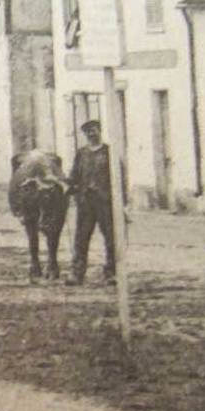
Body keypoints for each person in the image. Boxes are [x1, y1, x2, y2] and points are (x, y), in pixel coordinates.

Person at [65, 119, 125, 286]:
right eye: (88, 132)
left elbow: (119, 179)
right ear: (85, 135)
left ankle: (111, 273)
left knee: (110, 238)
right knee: (81, 239)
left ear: (100, 131)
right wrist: (68, 186)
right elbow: (74, 175)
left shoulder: (109, 153)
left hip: (105, 202)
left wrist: (122, 203)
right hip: (85, 203)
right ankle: (77, 274)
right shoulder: (81, 153)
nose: (91, 134)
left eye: (94, 130)